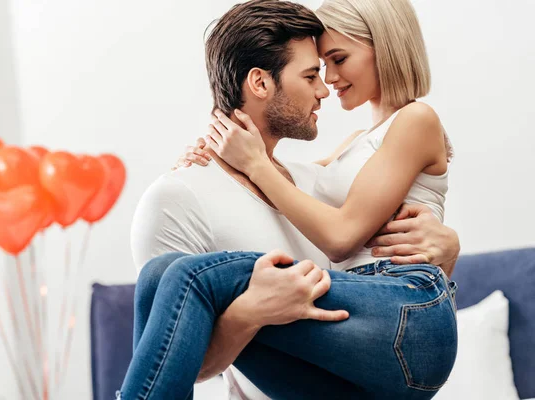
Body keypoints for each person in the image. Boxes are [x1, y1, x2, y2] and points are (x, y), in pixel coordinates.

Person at [119, 0, 459, 399]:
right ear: (261, 83)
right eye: (315, 70)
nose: (327, 84)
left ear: (382, 48)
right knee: (161, 274)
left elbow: (343, 235)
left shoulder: (416, 119)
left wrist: (450, 244)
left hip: (403, 309)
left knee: (186, 276)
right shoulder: (328, 165)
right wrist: (213, 156)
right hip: (354, 348)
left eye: (336, 60)